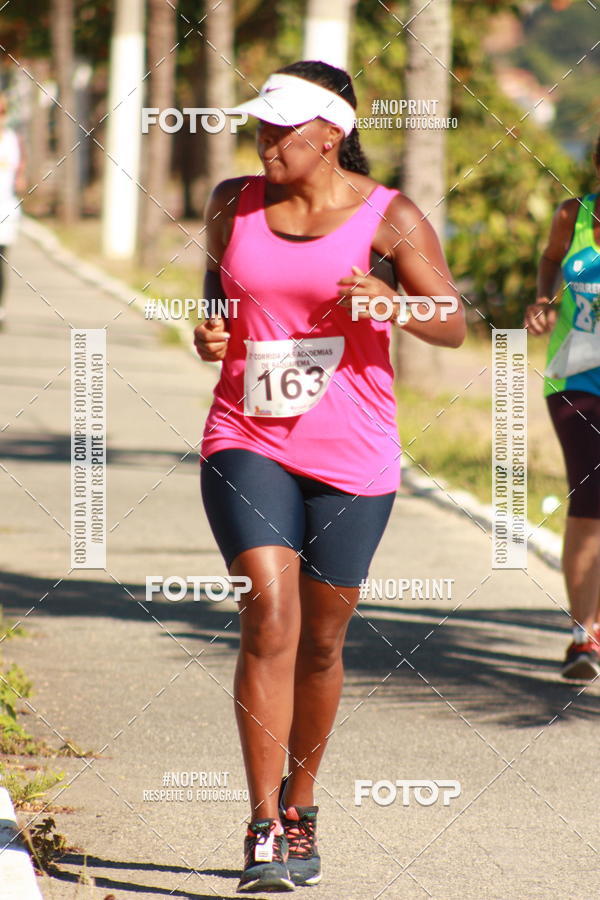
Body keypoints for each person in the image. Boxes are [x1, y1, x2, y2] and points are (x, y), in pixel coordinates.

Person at [194, 60, 465, 893]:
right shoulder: (232, 202)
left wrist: (393, 305)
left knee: (320, 641)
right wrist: (210, 331)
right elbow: (217, 295)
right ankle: (262, 827)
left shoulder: (389, 218)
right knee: (269, 614)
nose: (266, 141)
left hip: (352, 452)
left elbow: (452, 321)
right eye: (262, 125)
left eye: (283, 129)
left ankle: (301, 800)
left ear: (330, 134)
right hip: (246, 436)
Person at [524, 133, 600, 681]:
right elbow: (551, 259)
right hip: (576, 375)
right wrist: (544, 299)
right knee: (590, 495)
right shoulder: (573, 216)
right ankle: (583, 636)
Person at [0, 92, 25, 330]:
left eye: (2, 112)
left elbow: (21, 175)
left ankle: (0, 310)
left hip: (4, 208)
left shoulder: (12, 140)